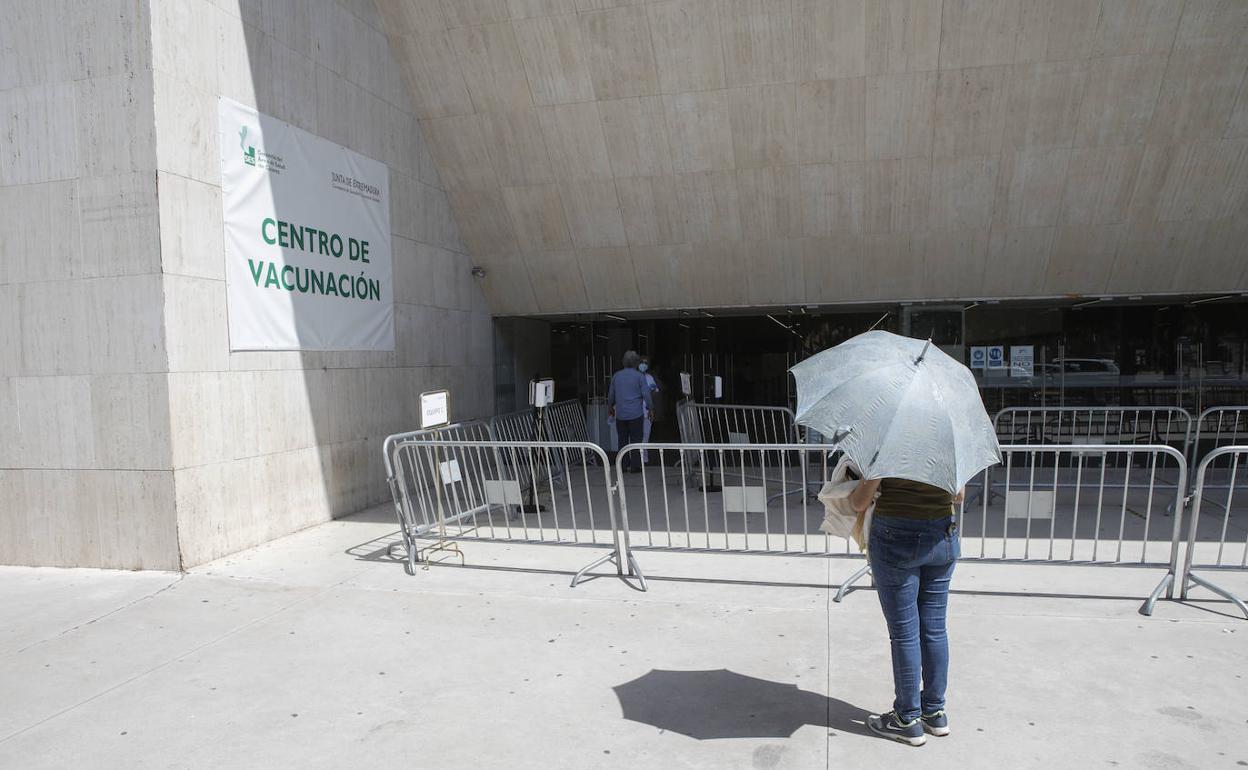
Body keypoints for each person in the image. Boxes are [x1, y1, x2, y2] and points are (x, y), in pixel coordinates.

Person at [849, 476, 965, 747]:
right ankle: (934, 712)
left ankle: (907, 719)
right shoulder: (947, 441)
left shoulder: (888, 443)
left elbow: (858, 502)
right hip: (942, 535)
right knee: (935, 628)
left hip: (895, 535)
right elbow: (958, 496)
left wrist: (873, 475)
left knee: (904, 633)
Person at [607, 350, 653, 473]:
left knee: (622, 440)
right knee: (636, 440)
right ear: (636, 363)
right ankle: (635, 466)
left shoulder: (616, 376)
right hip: (636, 414)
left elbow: (611, 395)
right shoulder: (640, 376)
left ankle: (623, 464)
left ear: (623, 362)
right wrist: (650, 408)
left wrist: (610, 407)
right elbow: (646, 395)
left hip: (621, 414)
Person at [639, 357, 660, 464]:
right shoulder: (633, 377)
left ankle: (644, 459)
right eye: (642, 362)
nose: (643, 364)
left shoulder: (649, 377)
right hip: (634, 411)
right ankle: (637, 459)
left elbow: (655, 390)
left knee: (645, 435)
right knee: (636, 436)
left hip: (646, 410)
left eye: (646, 363)